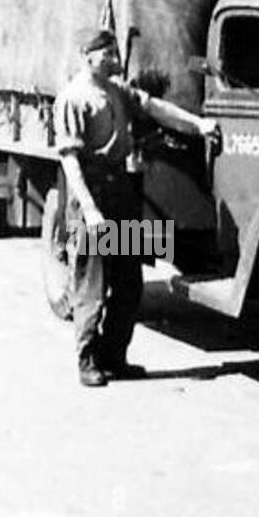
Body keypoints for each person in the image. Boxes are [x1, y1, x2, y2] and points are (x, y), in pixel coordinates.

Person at [56, 29, 219, 387]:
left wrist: (198, 125)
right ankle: (87, 361)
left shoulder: (117, 91)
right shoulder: (73, 99)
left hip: (122, 193)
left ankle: (115, 357)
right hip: (92, 195)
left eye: (116, 52)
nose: (116, 59)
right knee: (92, 286)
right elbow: (70, 162)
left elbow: (156, 109)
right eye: (108, 53)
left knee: (129, 284)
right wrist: (90, 211)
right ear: (88, 57)